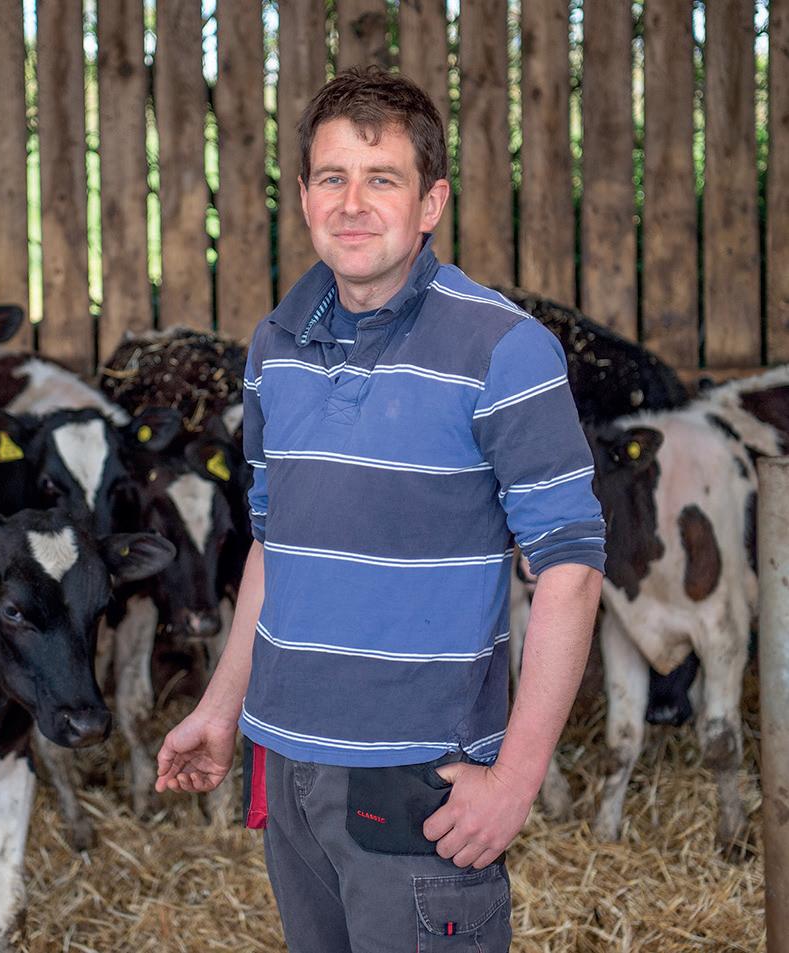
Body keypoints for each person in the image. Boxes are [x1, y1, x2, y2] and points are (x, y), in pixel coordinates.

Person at [154, 66, 605, 952]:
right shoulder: (274, 347)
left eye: (382, 179)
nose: (352, 204)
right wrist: (219, 707)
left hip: (417, 782)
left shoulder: (504, 350)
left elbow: (571, 567)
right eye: (332, 177)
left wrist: (516, 778)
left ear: (430, 202)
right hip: (286, 764)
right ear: (303, 196)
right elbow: (275, 544)